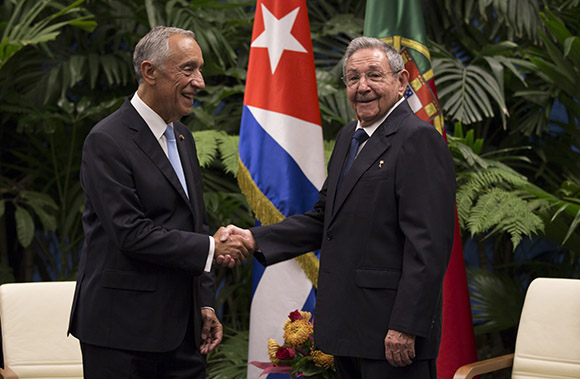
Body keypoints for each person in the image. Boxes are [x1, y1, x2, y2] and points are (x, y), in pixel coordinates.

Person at [220, 36, 456, 378]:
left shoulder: (418, 140)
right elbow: (324, 219)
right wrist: (253, 239)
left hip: (392, 334)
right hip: (348, 330)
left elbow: (428, 246)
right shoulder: (350, 136)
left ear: (401, 81)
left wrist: (407, 326)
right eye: (352, 78)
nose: (362, 87)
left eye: (374, 75)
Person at [68, 26, 250, 378]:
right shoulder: (106, 140)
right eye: (188, 69)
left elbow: (193, 224)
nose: (199, 82)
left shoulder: (182, 136)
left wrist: (206, 302)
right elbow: (130, 232)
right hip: (121, 333)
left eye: (200, 70)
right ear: (149, 72)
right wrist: (212, 247)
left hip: (185, 332)